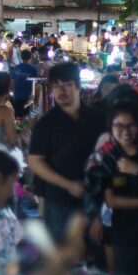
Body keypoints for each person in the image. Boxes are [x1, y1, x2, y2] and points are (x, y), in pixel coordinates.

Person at [87, 92, 138, 275]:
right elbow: (110, 200)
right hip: (122, 235)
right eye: (119, 126)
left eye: (131, 125)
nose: (126, 131)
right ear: (111, 127)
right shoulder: (105, 157)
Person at [28, 61, 107, 243]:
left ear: (78, 87)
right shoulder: (46, 124)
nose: (61, 92)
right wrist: (67, 184)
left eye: (67, 85)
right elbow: (35, 161)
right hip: (58, 200)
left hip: (97, 197)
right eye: (56, 87)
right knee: (62, 252)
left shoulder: (99, 118)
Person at [12, 49, 39, 118]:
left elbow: (13, 82)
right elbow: (36, 84)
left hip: (17, 96)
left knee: (18, 117)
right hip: (29, 97)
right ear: (30, 57)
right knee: (27, 118)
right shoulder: (34, 69)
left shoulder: (16, 68)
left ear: (21, 57)